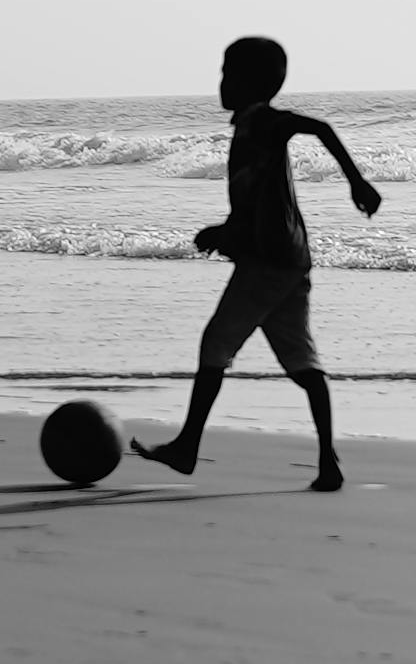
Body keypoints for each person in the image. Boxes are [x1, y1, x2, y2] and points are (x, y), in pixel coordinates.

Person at [134, 37, 383, 494]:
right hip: (289, 260)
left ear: (254, 82)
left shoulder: (264, 123)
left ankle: (188, 447)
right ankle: (328, 462)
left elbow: (320, 127)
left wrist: (357, 181)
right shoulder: (249, 128)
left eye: (229, 73)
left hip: (268, 263)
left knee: (216, 344)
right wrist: (225, 231)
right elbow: (255, 199)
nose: (221, 82)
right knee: (301, 361)